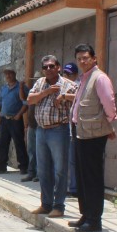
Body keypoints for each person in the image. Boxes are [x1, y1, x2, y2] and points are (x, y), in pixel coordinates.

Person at [68, 45, 117, 232]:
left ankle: (94, 219)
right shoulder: (84, 78)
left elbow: (110, 104)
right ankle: (85, 214)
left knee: (92, 177)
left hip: (94, 133)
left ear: (94, 58)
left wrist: (108, 125)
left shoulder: (100, 78)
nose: (82, 61)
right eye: (79, 58)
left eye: (86, 58)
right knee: (81, 176)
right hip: (80, 131)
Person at [26, 55, 75, 218]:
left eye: (52, 66)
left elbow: (79, 99)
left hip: (58, 130)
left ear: (59, 67)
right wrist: (47, 92)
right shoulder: (40, 83)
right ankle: (45, 204)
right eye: (45, 67)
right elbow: (30, 99)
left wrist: (63, 96)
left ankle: (58, 206)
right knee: (43, 170)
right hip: (41, 130)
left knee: (60, 170)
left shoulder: (68, 85)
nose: (48, 69)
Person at [0, 68, 28, 175]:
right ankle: (1, 165)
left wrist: (19, 115)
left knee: (19, 143)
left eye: (10, 74)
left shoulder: (21, 87)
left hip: (15, 120)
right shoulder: (3, 88)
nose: (8, 76)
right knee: (3, 143)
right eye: (6, 74)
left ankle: (23, 166)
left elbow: (26, 103)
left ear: (14, 74)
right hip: (4, 120)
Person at [61, 62, 80, 197]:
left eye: (69, 74)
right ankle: (68, 186)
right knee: (66, 160)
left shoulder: (79, 85)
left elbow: (79, 97)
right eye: (65, 73)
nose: (66, 76)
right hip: (65, 128)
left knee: (74, 160)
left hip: (76, 128)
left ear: (75, 74)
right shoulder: (63, 85)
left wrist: (64, 96)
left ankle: (74, 188)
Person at [20, 71, 41, 182]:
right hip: (32, 125)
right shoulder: (32, 92)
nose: (35, 82)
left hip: (39, 125)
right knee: (31, 151)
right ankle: (31, 172)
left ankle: (38, 174)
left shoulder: (42, 92)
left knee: (39, 152)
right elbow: (23, 99)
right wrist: (21, 87)